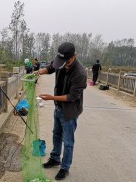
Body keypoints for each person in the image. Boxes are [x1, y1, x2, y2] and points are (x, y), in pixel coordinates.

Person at [33, 42, 87, 180]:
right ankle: (55, 158)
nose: (63, 64)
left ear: (74, 56)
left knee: (68, 141)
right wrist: (38, 72)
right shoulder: (60, 62)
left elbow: (71, 97)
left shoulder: (80, 73)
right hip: (58, 107)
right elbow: (50, 68)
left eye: (66, 61)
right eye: (61, 60)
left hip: (70, 111)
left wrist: (51, 97)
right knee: (56, 134)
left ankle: (65, 167)